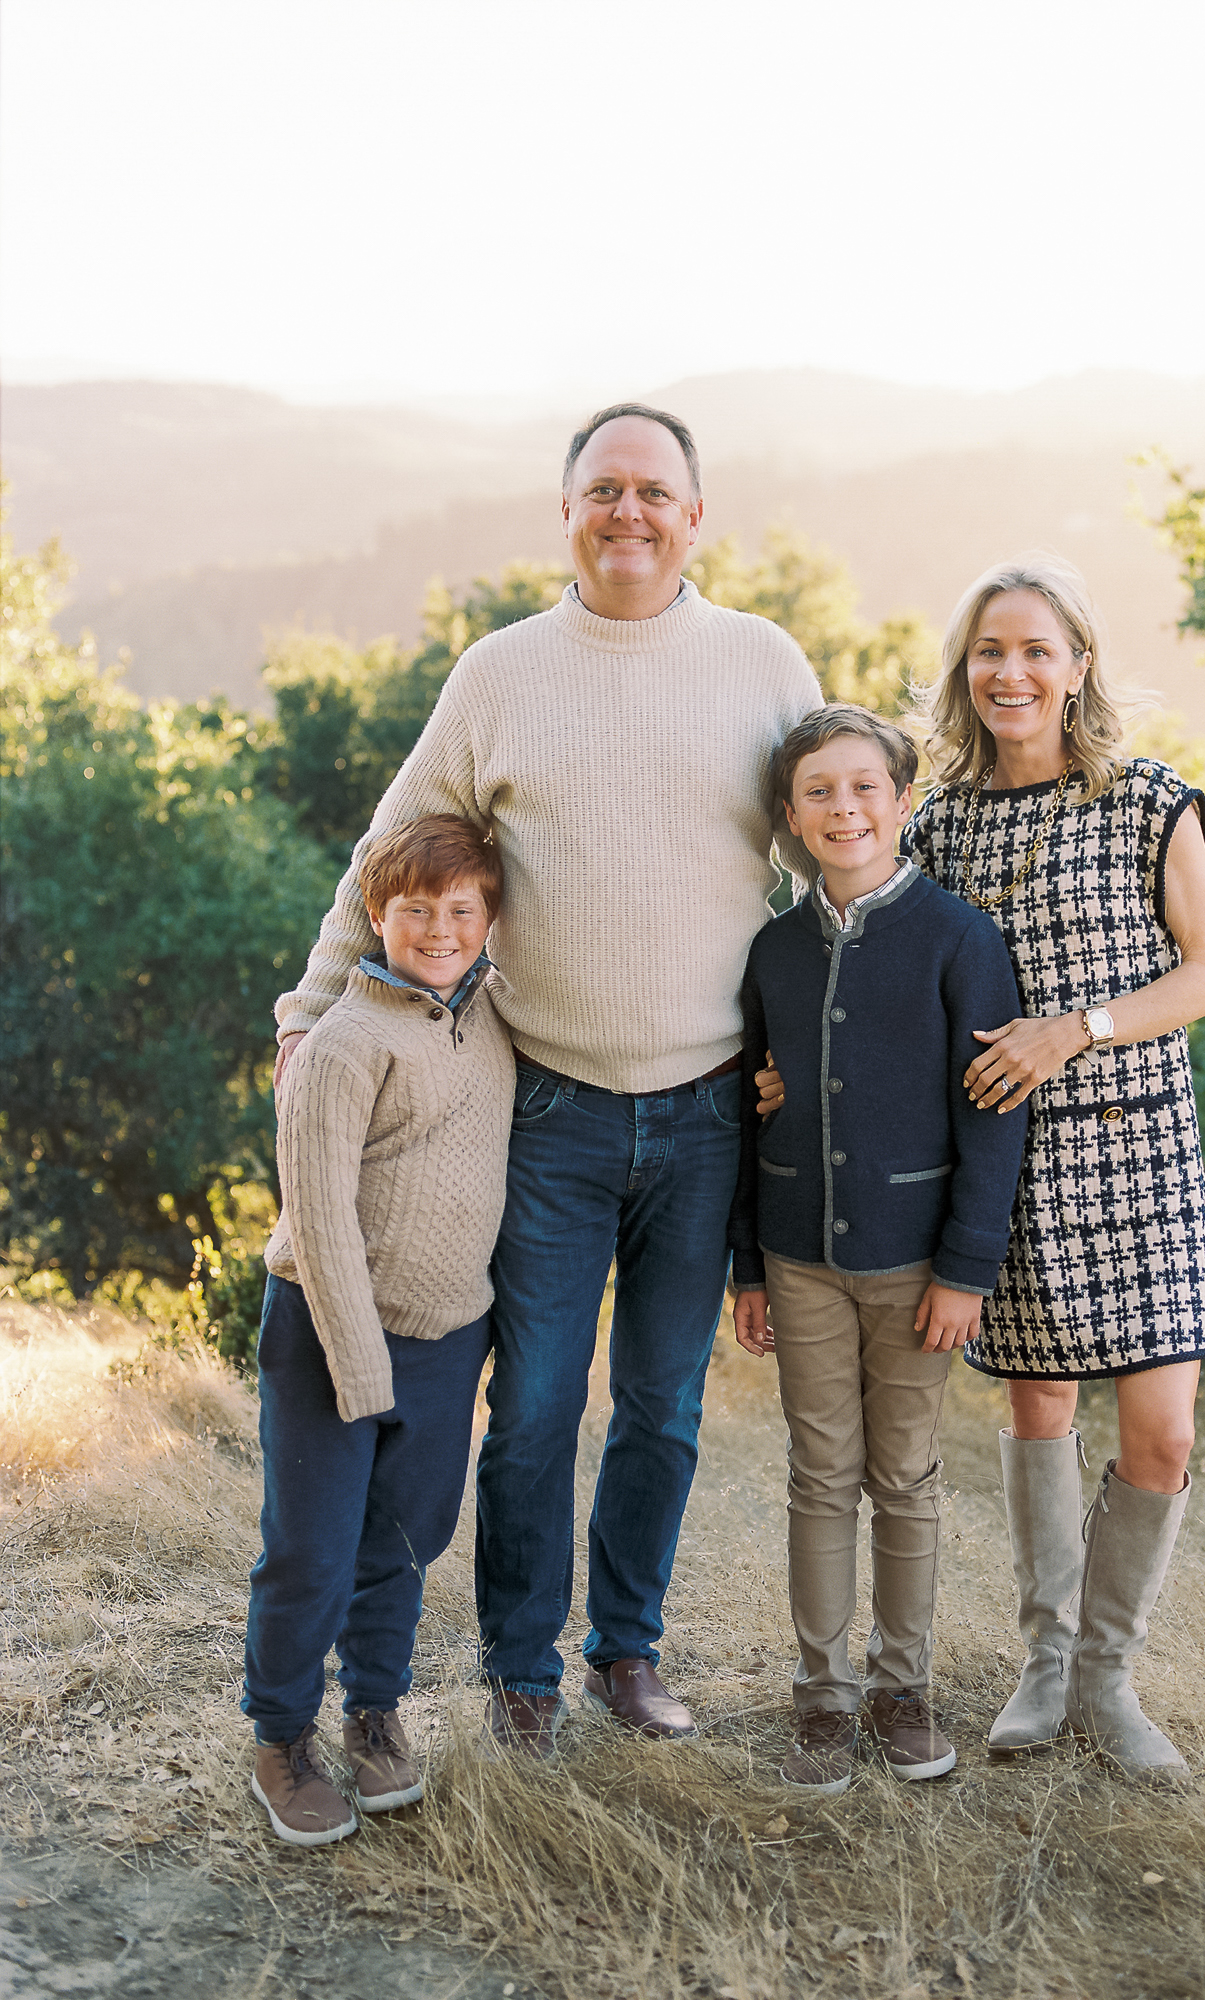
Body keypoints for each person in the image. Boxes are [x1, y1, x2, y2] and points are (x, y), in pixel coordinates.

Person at [273, 404, 823, 1758]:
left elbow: (837, 863)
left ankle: (623, 1654)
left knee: (663, 1408)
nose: (626, 513)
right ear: (565, 511)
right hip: (546, 1105)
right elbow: (386, 854)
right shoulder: (501, 672)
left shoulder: (762, 662)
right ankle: (521, 1669)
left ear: (696, 517)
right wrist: (309, 1004)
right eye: (601, 491)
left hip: (704, 1115)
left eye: (653, 492)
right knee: (528, 1409)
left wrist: (838, 1062)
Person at [903, 553, 1205, 1782]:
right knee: (1037, 1404)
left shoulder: (1151, 800)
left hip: (1142, 1145)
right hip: (1011, 1155)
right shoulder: (934, 822)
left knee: (1160, 1428)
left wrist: (1076, 1027)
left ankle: (1110, 1672)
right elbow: (904, 992)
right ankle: (1047, 1663)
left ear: (1078, 665)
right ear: (966, 670)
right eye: (991, 650)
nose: (1012, 671)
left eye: (1038, 648)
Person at [730, 706, 1027, 1794]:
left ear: (904, 803)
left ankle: (903, 1690)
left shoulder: (960, 938)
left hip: (916, 1267)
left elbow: (997, 1117)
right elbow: (746, 1105)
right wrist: (749, 1267)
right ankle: (822, 1694)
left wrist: (965, 1269)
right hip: (799, 1251)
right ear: (793, 816)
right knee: (821, 1472)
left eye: (865, 788)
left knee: (904, 1474)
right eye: (819, 792)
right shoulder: (771, 949)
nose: (844, 808)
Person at [246, 814, 513, 1844]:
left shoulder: (493, 1015)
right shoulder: (343, 1046)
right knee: (311, 1548)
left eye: (461, 909)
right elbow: (316, 1223)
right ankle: (279, 1735)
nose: (440, 929)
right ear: (376, 913)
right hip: (329, 1332)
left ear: (490, 918)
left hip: (448, 1335)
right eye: (416, 910)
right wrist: (363, 1375)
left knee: (404, 1540)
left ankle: (374, 1710)